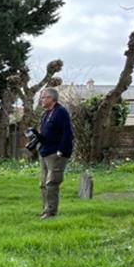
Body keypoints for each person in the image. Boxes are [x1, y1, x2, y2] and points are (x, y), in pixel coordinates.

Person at [37, 87, 74, 219]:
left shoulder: (60, 112)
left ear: (51, 99)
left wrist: (61, 151)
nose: (41, 100)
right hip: (44, 151)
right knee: (43, 183)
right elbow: (45, 133)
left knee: (52, 183)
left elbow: (67, 133)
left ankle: (51, 212)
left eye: (43, 97)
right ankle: (45, 209)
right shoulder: (45, 113)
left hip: (56, 153)